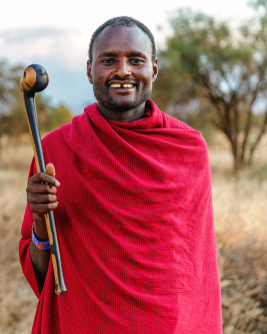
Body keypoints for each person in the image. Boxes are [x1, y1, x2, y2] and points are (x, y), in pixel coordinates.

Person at [19, 16, 222, 333]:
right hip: (85, 322)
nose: (123, 71)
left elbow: (195, 268)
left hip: (169, 325)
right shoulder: (54, 151)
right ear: (90, 70)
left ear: (153, 69)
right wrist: (41, 224)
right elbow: (45, 276)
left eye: (136, 60)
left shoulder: (188, 148)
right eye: (109, 60)